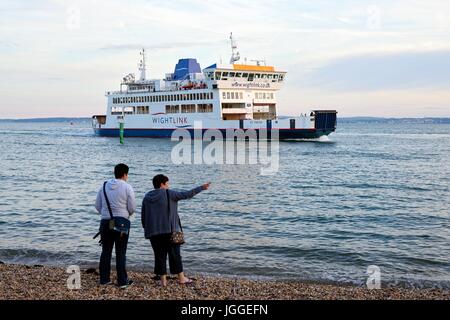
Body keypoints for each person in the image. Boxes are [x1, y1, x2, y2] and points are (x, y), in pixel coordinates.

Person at [141, 174, 210, 287]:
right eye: (167, 183)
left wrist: (147, 228)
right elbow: (187, 194)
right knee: (175, 255)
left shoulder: (147, 197)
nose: (168, 185)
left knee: (159, 256)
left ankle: (163, 282)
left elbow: (144, 216)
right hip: (170, 231)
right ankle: (181, 278)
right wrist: (201, 187)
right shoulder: (169, 193)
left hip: (153, 232)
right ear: (162, 184)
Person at [95, 163, 136, 289]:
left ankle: (104, 280)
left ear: (115, 173)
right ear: (125, 174)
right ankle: (122, 281)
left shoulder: (104, 186)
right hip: (121, 223)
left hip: (106, 221)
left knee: (106, 251)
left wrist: (107, 213)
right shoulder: (127, 187)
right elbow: (132, 208)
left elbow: (97, 206)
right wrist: (125, 214)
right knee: (120, 252)